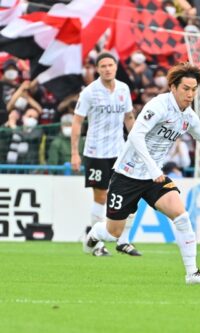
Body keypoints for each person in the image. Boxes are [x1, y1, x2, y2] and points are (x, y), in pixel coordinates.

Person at [83, 62, 200, 284]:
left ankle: (192, 273)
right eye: (186, 88)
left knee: (182, 216)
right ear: (173, 87)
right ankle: (93, 234)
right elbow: (136, 136)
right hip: (127, 175)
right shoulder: (158, 106)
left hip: (153, 179)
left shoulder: (189, 116)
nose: (190, 94)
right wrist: (154, 167)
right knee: (112, 233)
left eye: (194, 89)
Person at [71, 52, 140, 257]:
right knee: (101, 197)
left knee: (128, 194)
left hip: (120, 151)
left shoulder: (123, 89)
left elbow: (129, 117)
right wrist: (74, 153)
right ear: (97, 69)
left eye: (110, 65)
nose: (107, 69)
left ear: (116, 67)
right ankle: (97, 243)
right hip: (96, 151)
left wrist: (137, 144)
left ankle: (124, 241)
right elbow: (77, 122)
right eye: (103, 66)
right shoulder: (89, 92)